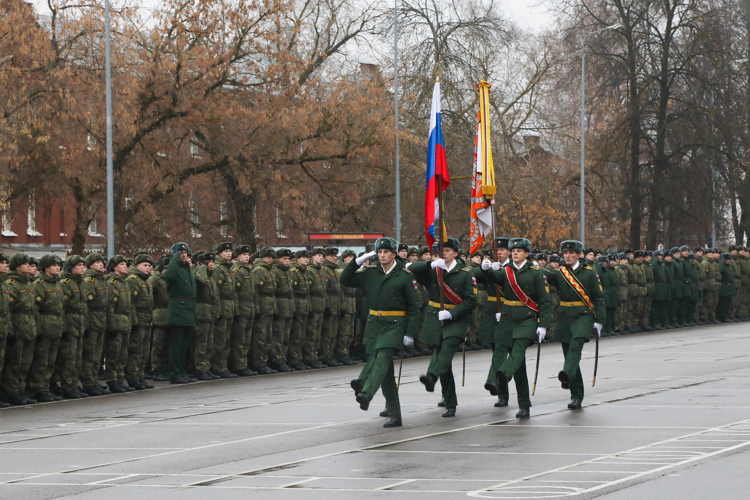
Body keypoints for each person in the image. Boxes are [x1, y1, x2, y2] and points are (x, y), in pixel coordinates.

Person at [340, 237, 420, 428]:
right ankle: (395, 414)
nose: (382, 255)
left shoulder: (404, 275)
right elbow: (345, 279)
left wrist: (410, 332)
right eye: (380, 252)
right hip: (374, 322)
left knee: (382, 358)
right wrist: (357, 262)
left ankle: (366, 392)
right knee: (386, 373)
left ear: (393, 254)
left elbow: (415, 306)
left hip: (395, 322)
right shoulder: (370, 273)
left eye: (386, 252)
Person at [482, 238, 550, 418]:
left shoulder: (536, 273)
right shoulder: (506, 271)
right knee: (519, 367)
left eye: (519, 251)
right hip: (507, 319)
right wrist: (487, 269)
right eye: (513, 251)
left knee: (519, 350)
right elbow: (494, 280)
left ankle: (503, 374)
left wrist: (543, 324)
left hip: (527, 318)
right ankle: (524, 406)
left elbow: (544, 301)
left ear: (526, 253)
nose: (515, 253)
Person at [411, 238, 477, 417]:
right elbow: (410, 269)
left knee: (446, 351)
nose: (444, 253)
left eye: (447, 250)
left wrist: (452, 313)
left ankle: (431, 376)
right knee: (445, 364)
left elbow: (472, 300)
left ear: (455, 253)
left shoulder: (465, 273)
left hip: (456, 319)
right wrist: (429, 264)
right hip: (435, 318)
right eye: (440, 250)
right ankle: (450, 402)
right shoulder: (434, 270)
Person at [543, 241, 605, 409]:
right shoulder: (560, 273)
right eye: (565, 253)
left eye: (571, 253)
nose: (567, 256)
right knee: (568, 354)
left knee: (575, 346)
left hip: (583, 315)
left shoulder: (589, 273)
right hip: (564, 316)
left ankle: (568, 378)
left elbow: (598, 297)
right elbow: (544, 276)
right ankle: (575, 392)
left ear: (579, 255)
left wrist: (600, 320)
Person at [473, 237, 510, 407]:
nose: (499, 253)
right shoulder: (490, 267)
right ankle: (502, 394)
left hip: (509, 310)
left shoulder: (513, 267)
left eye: (502, 250)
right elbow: (471, 276)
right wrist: (484, 269)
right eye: (497, 251)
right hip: (491, 310)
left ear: (510, 251)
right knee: (497, 349)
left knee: (502, 350)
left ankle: (495, 379)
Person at [29, 255, 65, 401]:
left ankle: (47, 386)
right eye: (54, 265)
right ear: (46, 268)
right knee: (41, 360)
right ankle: (40, 388)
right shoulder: (39, 284)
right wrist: (39, 327)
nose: (58, 268)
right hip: (45, 324)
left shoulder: (58, 283)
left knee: (51, 360)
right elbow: (35, 308)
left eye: (58, 265)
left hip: (56, 324)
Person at [56, 255, 90, 399]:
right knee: (69, 358)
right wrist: (63, 327)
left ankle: (74, 384)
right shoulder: (66, 283)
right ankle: (68, 386)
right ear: (71, 268)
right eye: (79, 265)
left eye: (83, 265)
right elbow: (62, 307)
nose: (83, 268)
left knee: (77, 357)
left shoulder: (82, 283)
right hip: (70, 321)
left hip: (80, 322)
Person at [164, 242, 198, 384]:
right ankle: (175, 373)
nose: (184, 255)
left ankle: (182, 371)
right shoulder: (175, 267)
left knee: (185, 345)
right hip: (178, 309)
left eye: (185, 253)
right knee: (176, 345)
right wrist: (174, 259)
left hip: (189, 309)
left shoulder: (187, 268)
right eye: (181, 253)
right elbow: (170, 277)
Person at [105, 255, 136, 393]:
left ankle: (120, 379)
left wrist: (133, 321)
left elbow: (130, 305)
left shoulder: (124, 282)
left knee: (123, 354)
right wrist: (111, 325)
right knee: (114, 354)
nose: (125, 266)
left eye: (126, 264)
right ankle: (113, 380)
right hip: (117, 322)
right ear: (115, 267)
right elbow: (110, 306)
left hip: (125, 322)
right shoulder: (112, 283)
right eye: (122, 264)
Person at [126, 254, 155, 390]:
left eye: (149, 266)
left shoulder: (147, 280)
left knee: (145, 350)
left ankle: (140, 376)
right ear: (137, 266)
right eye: (145, 265)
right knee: (136, 350)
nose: (148, 268)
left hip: (148, 317)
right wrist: (134, 320)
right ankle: (133, 377)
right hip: (139, 316)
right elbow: (131, 302)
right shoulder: (133, 280)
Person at [211, 242, 238, 378]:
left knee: (226, 340)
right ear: (220, 253)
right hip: (222, 306)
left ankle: (224, 365)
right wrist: (218, 311)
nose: (229, 253)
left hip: (229, 307)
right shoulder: (218, 268)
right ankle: (218, 366)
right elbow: (215, 292)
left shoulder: (229, 268)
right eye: (226, 251)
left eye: (230, 251)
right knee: (220, 340)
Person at [250, 247, 277, 374]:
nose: (270, 259)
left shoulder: (268, 270)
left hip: (269, 307)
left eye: (271, 257)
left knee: (267, 337)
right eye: (268, 257)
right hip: (262, 307)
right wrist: (257, 308)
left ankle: (264, 361)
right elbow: (255, 291)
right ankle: (258, 362)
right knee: (260, 337)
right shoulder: (260, 270)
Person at [231, 245, 256, 376]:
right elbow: (234, 293)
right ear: (238, 256)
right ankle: (239, 365)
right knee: (240, 340)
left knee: (247, 339)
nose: (247, 256)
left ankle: (244, 364)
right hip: (241, 307)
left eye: (248, 254)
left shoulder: (249, 270)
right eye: (244, 254)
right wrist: (236, 311)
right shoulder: (237, 270)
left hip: (249, 307)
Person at [194, 252, 220, 380]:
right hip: (202, 313)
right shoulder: (199, 274)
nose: (211, 264)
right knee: (202, 343)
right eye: (208, 262)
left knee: (209, 343)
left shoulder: (212, 278)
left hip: (210, 313)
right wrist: (202, 267)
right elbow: (201, 280)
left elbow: (216, 298)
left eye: (212, 262)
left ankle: (206, 367)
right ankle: (200, 368)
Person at [269, 249, 296, 372]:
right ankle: (277, 360)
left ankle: (283, 359)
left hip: (288, 306)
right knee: (278, 336)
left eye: (288, 259)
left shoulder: (288, 272)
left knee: (285, 336)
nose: (287, 261)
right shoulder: (275, 271)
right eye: (284, 259)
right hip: (280, 306)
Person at [303, 247, 327, 369]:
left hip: (320, 305)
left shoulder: (322, 271)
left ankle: (315, 356)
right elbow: (307, 290)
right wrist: (310, 307)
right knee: (311, 334)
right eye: (318, 256)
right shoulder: (310, 271)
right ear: (313, 257)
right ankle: (309, 357)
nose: (321, 258)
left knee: (318, 334)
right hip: (313, 304)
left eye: (322, 256)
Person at [288, 250, 311, 371]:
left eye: (307, 258)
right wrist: (294, 308)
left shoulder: (306, 272)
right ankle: (294, 359)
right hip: (297, 305)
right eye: (303, 258)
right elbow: (292, 291)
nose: (306, 260)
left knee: (302, 335)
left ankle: (300, 358)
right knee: (296, 336)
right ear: (297, 260)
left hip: (304, 306)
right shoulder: (294, 272)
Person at [718, 253, 735, 322]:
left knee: (728, 303)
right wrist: (722, 261)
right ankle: (722, 316)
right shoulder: (723, 266)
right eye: (726, 259)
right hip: (724, 287)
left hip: (729, 287)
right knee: (723, 303)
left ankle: (726, 315)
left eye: (729, 259)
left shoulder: (729, 267)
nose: (728, 261)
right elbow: (720, 269)